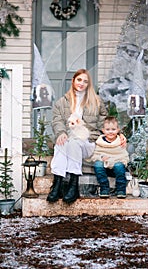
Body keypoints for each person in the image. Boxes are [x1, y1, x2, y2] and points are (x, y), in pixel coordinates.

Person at [47, 69, 108, 204]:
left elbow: (105, 122)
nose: (81, 83)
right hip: (69, 140)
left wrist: (115, 135)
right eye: (79, 80)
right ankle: (57, 185)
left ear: (88, 84)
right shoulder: (62, 102)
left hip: (88, 142)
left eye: (85, 81)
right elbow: (57, 121)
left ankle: (73, 185)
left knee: (73, 142)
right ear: (73, 81)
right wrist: (61, 133)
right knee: (62, 143)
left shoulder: (96, 101)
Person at [90, 116, 129, 199]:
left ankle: (121, 189)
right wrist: (101, 157)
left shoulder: (120, 142)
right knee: (97, 164)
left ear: (118, 130)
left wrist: (117, 160)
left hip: (116, 166)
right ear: (103, 130)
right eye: (107, 130)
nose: (110, 132)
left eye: (113, 129)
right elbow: (95, 155)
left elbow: (124, 156)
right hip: (103, 167)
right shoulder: (100, 142)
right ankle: (104, 188)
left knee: (119, 166)